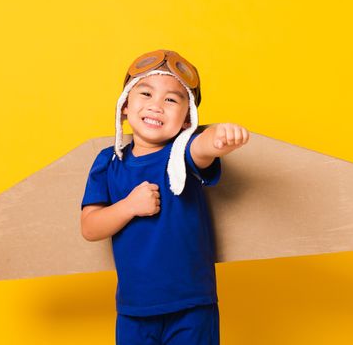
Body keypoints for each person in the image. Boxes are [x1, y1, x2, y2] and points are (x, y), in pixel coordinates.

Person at [80, 49, 249, 344]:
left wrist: (220, 137)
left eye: (171, 99)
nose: (156, 106)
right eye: (145, 94)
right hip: (134, 310)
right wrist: (129, 206)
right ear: (124, 107)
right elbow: (90, 227)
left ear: (187, 120)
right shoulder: (108, 162)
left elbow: (204, 147)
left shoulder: (182, 153)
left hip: (192, 306)